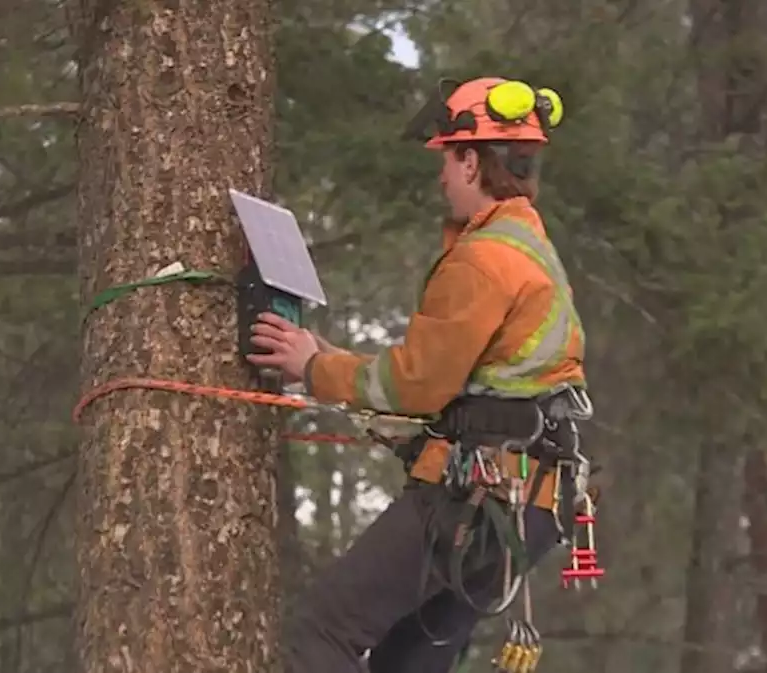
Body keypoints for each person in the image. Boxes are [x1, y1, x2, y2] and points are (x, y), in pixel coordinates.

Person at [247, 76, 591, 673]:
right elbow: (461, 393)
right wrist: (325, 362)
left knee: (318, 633)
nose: (440, 176)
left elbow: (417, 386)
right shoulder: (529, 248)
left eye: (446, 158)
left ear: (469, 160)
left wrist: (311, 367)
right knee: (407, 662)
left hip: (475, 498)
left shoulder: (485, 259)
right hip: (530, 504)